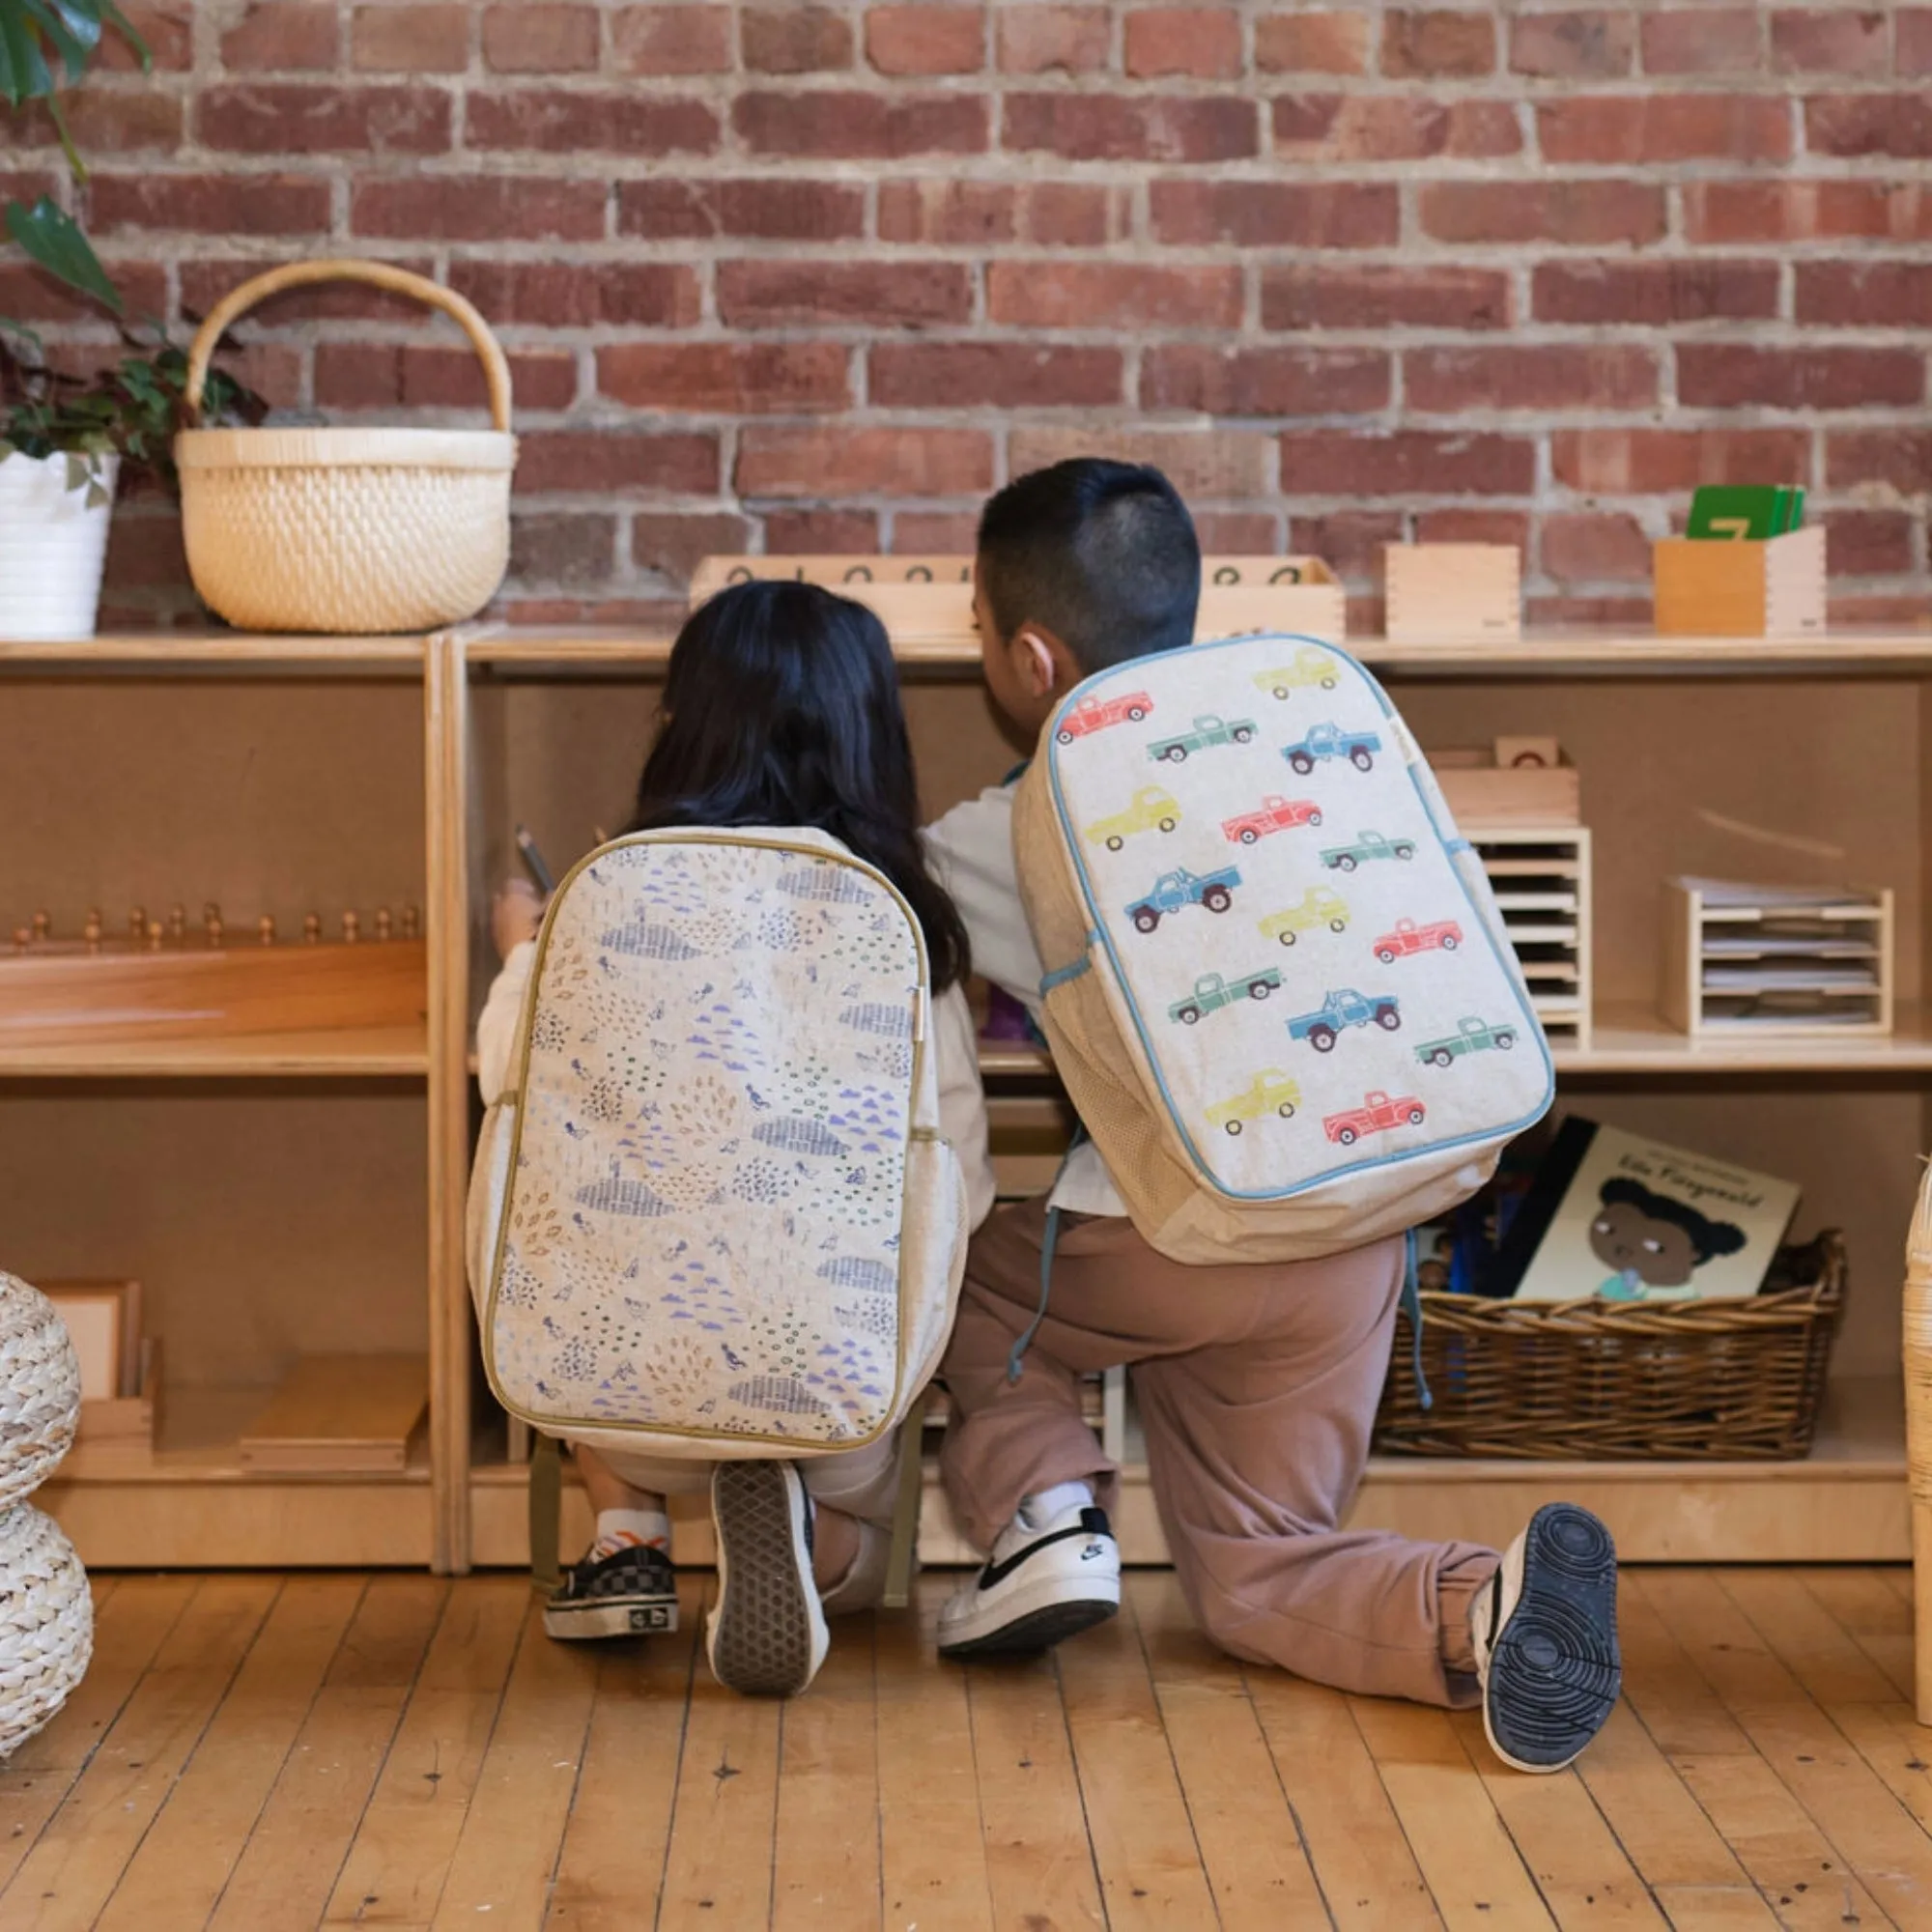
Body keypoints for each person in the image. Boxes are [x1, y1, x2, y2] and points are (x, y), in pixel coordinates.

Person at [923, 458, 1620, 1774]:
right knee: (1256, 1573)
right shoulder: (1313, 739)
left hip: (1172, 1232)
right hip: (1369, 1218)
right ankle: (1480, 1611)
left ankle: (1047, 1514)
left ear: (1026, 654)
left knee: (953, 1276)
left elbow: (864, 920)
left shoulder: (1016, 819)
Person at [477, 579, 995, 1697]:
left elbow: (506, 1090)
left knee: (592, 1236)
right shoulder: (901, 917)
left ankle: (625, 1528)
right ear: (873, 736)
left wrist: (525, 944)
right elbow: (959, 1165)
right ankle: (814, 1541)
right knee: (847, 1460)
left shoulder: (607, 895)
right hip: (834, 1390)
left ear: (682, 724)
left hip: (614, 1388)